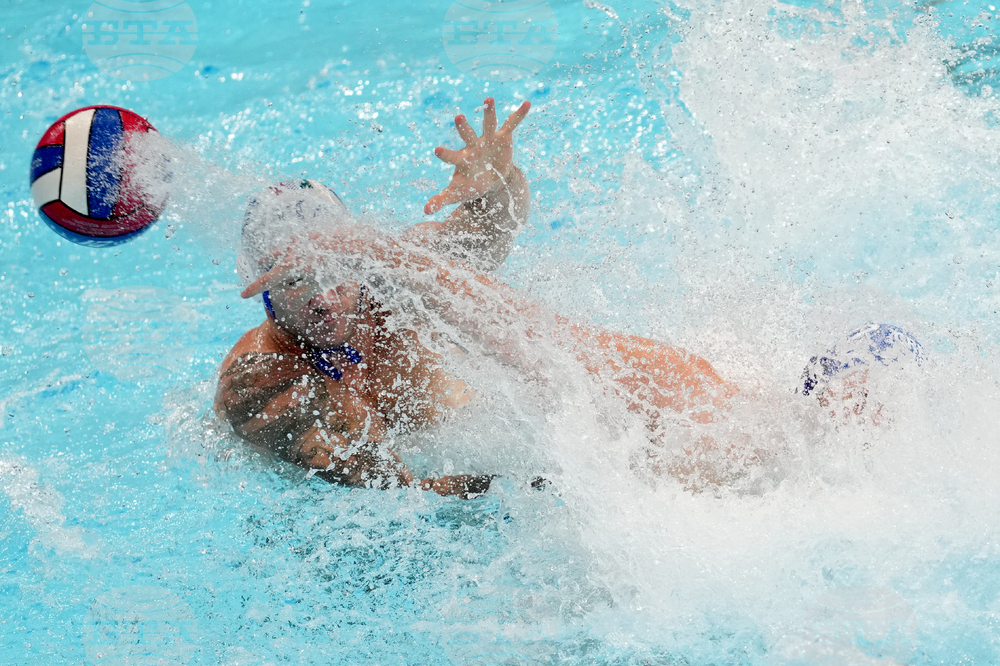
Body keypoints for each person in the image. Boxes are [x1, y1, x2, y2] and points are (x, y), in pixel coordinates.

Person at [214, 98, 739, 498]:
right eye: (294, 283)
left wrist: (498, 183)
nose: (325, 299)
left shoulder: (385, 279)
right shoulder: (260, 381)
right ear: (259, 290)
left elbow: (481, 240)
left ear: (357, 256)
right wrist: (546, 487)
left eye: (335, 272)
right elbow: (394, 491)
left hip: (487, 444)